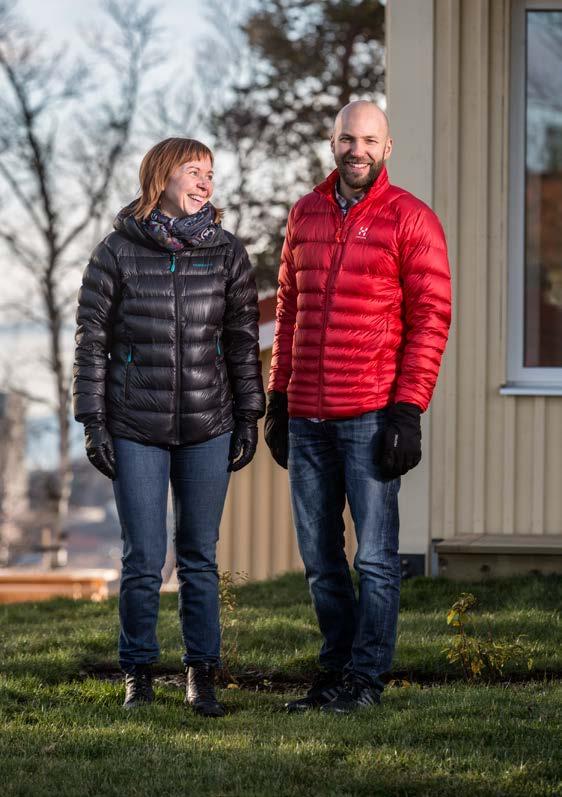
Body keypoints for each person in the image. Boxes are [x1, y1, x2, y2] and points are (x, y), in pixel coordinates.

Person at [265, 101, 451, 714]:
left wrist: (408, 410)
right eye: (348, 139)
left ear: (387, 147)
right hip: (310, 418)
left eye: (369, 140)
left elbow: (430, 320)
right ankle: (334, 672)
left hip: (372, 415)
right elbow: (290, 311)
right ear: (332, 142)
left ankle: (366, 681)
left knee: (374, 560)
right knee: (320, 562)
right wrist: (279, 397)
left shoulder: (411, 219)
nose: (357, 150)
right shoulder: (305, 213)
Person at [73, 137, 265, 716]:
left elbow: (241, 343)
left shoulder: (228, 254)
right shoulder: (116, 253)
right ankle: (138, 672)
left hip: (209, 422)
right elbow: (91, 345)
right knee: (142, 558)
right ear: (161, 176)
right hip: (135, 425)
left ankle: (200, 676)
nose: (205, 181)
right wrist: (93, 420)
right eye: (193, 170)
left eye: (211, 172)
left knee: (198, 556)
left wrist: (250, 414)